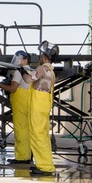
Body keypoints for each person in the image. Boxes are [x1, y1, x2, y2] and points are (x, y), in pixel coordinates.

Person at [0, 50, 33, 164]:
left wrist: (0, 85)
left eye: (20, 58)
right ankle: (28, 155)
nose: (17, 60)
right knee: (28, 130)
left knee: (20, 131)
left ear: (25, 60)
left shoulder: (19, 72)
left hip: (20, 105)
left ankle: (21, 157)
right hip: (29, 104)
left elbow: (12, 89)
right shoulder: (32, 71)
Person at [29, 41, 58, 176]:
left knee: (37, 136)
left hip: (38, 106)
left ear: (45, 57)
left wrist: (23, 72)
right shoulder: (51, 71)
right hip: (44, 106)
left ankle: (44, 167)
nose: (39, 57)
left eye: (41, 55)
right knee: (43, 136)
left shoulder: (42, 68)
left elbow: (30, 79)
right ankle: (46, 164)